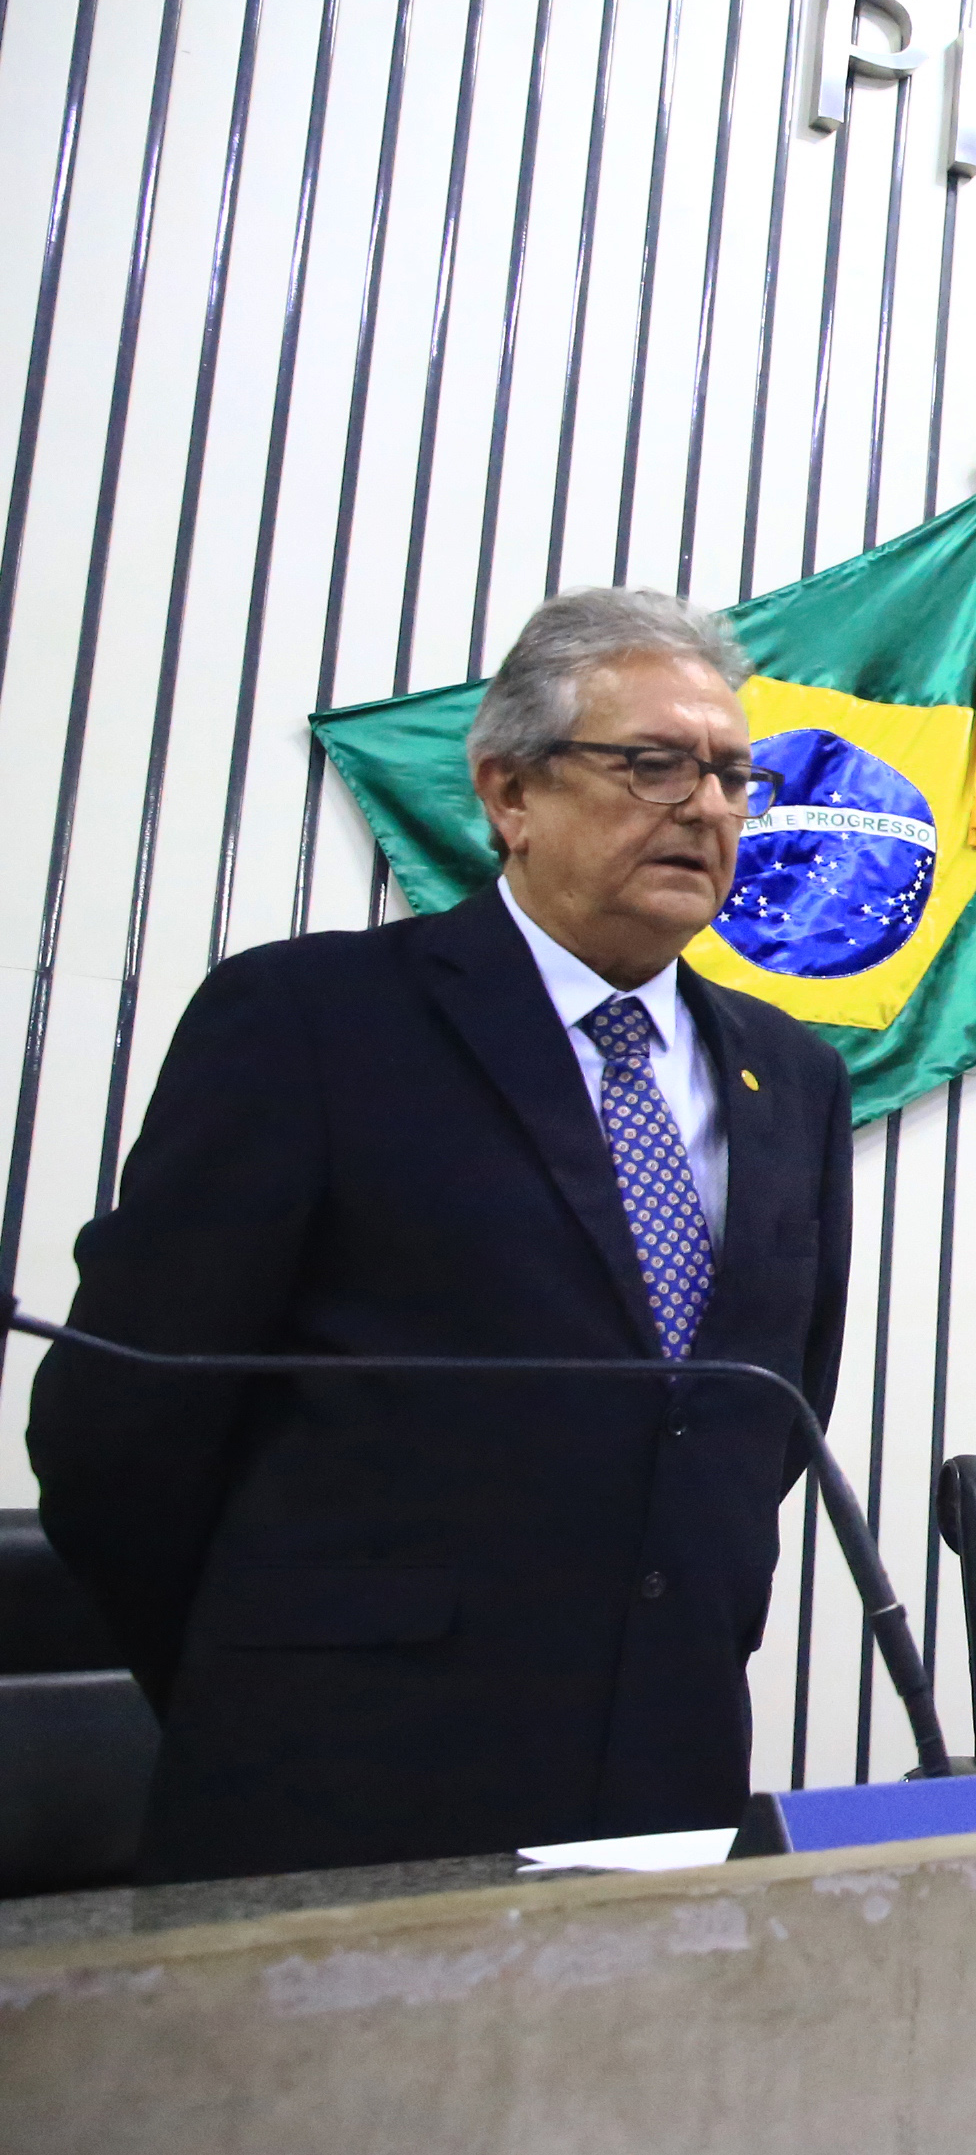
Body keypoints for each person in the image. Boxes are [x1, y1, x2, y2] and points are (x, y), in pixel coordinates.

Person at [26, 590, 855, 1880]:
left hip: (665, 1770)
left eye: (731, 775)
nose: (704, 806)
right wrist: (273, 1669)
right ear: (510, 792)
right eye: (652, 763)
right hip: (338, 1785)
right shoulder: (312, 1021)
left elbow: (762, 1413)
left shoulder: (791, 1076)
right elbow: (117, 1430)